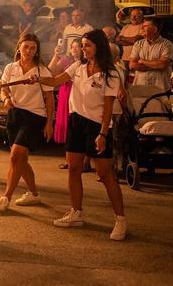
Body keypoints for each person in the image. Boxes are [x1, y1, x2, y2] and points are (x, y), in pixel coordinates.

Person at [37, 29, 127, 241]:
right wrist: (37, 78)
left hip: (97, 126)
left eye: (88, 46)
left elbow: (107, 108)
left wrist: (103, 134)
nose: (83, 50)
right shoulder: (78, 67)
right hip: (76, 122)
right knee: (74, 169)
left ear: (99, 47)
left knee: (105, 175)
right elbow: (56, 81)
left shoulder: (111, 74)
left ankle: (121, 220)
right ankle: (76, 213)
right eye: (83, 46)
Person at [0, 34, 54, 212]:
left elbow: (49, 99)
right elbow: (4, 89)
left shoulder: (42, 71)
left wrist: (49, 123)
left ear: (36, 51)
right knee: (22, 160)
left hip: (34, 116)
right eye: (26, 47)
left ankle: (6, 198)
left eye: (33, 48)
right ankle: (34, 194)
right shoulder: (10, 68)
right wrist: (5, 99)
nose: (29, 51)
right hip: (15, 115)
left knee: (14, 156)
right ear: (19, 47)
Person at [49, 39, 84, 170]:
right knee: (67, 123)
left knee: (79, 124)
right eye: (73, 46)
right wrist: (56, 55)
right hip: (66, 92)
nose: (75, 49)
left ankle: (84, 162)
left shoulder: (87, 63)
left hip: (80, 93)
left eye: (78, 47)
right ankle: (69, 160)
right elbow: (52, 72)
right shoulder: (66, 60)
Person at [129, 17, 173, 92]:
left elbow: (162, 65)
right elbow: (132, 65)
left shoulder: (167, 45)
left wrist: (143, 61)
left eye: (145, 26)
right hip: (141, 87)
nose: (141, 28)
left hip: (160, 89)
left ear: (154, 29)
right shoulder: (138, 44)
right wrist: (156, 65)